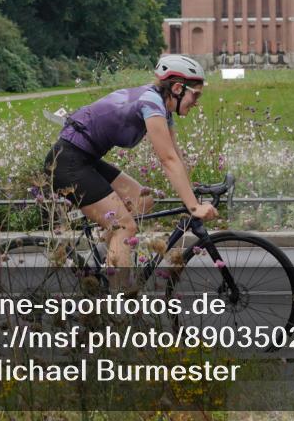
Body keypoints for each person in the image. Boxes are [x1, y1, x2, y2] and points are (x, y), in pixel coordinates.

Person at [43, 54, 218, 288]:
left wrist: (193, 193)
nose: (196, 101)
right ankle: (118, 310)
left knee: (142, 200)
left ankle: (105, 266)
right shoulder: (151, 103)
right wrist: (194, 207)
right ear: (177, 88)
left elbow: (175, 156)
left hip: (84, 159)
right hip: (67, 162)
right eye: (195, 94)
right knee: (125, 227)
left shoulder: (161, 106)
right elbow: (166, 159)